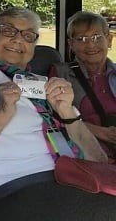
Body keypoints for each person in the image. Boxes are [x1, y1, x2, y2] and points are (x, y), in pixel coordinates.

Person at [0, 6, 115, 220]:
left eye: (28, 35)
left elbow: (98, 160)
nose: (18, 40)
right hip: (12, 190)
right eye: (8, 30)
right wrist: (1, 111)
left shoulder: (43, 85)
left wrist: (67, 112)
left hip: (74, 179)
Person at [50, 11, 116, 161]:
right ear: (71, 45)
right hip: (85, 153)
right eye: (81, 39)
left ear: (109, 40)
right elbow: (52, 119)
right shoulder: (60, 73)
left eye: (97, 37)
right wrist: (101, 132)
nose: (90, 44)